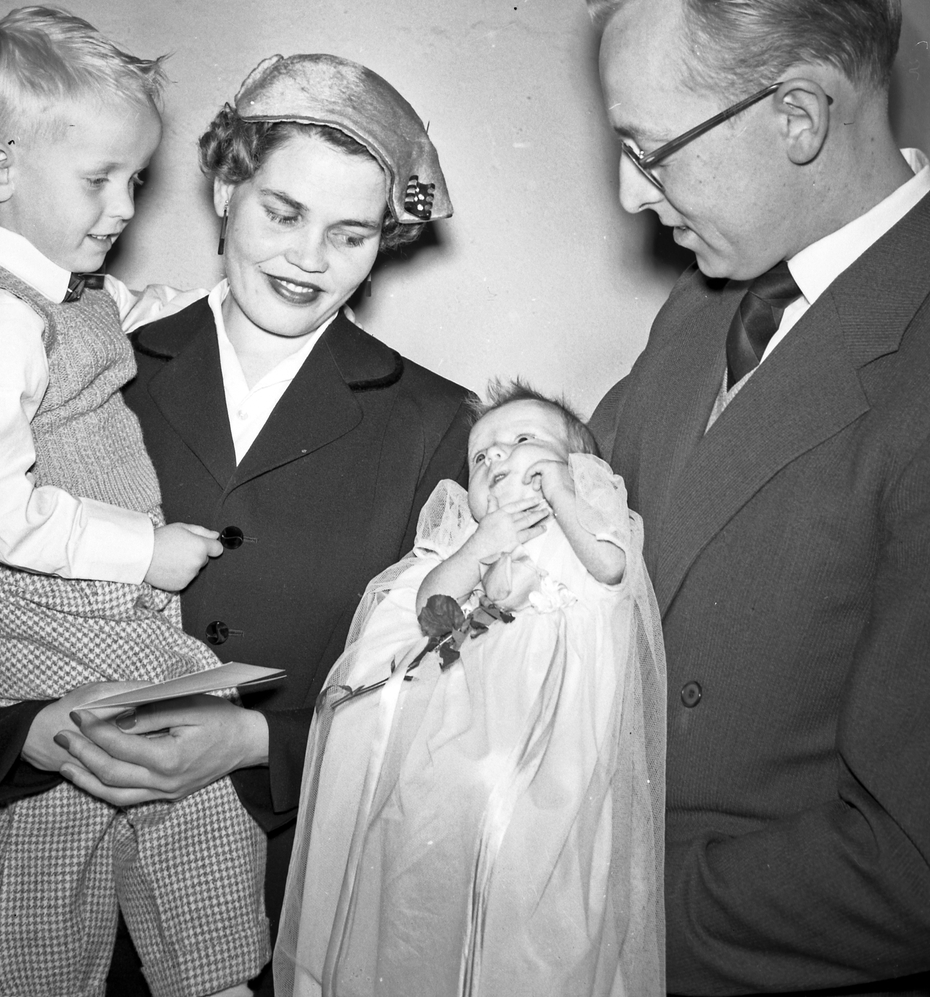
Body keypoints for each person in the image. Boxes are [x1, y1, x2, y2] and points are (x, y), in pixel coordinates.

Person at [0, 52, 474, 994]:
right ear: (224, 189)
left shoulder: (437, 424)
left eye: (349, 234)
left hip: (305, 896)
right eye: (282, 214)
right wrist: (25, 732)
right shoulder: (83, 355)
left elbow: (454, 698)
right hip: (85, 900)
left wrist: (260, 743)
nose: (308, 258)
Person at [584, 0, 930, 994]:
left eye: (649, 150)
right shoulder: (710, 297)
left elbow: (917, 874)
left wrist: (577, 907)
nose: (630, 195)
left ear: (797, 117)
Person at [0, 6, 271, 997]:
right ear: (0, 168)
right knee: (165, 740)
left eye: (135, 181)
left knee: (114, 791)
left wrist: (224, 300)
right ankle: (205, 973)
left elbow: (118, 320)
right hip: (40, 607)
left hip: (79, 604)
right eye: (100, 179)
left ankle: (200, 970)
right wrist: (141, 552)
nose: (122, 208)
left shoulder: (65, 285)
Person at [274, 381, 666, 996]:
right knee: (425, 850)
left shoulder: (584, 522)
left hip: (552, 735)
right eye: (481, 456)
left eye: (524, 439)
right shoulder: (465, 541)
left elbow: (612, 568)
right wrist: (481, 545)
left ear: (579, 465)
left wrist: (563, 495)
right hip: (457, 731)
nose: (498, 457)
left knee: (529, 878)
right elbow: (430, 605)